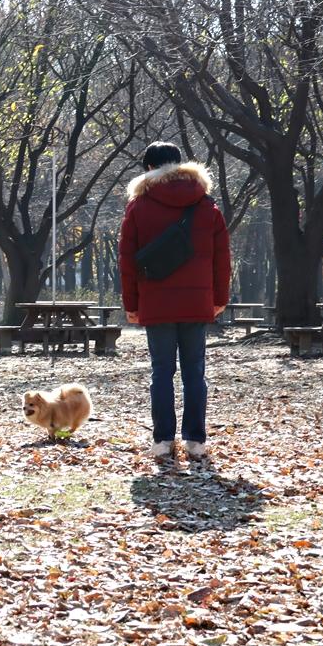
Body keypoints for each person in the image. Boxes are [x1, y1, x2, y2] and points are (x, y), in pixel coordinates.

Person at [118, 141, 231, 459]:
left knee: (161, 372)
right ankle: (196, 440)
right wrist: (219, 297)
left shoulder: (139, 205)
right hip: (197, 303)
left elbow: (127, 259)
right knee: (195, 372)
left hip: (156, 302)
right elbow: (222, 258)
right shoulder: (207, 205)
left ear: (150, 169)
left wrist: (132, 304)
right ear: (180, 165)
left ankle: (163, 440)